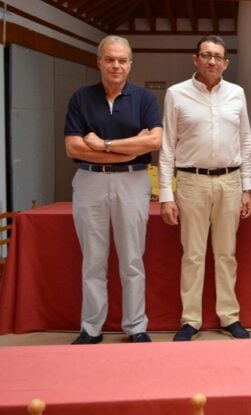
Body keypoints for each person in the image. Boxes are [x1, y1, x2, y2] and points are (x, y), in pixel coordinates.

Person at [64, 35, 162, 344]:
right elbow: (73, 148)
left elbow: (154, 142)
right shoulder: (81, 98)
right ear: (99, 62)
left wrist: (105, 145)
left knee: (132, 258)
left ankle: (136, 326)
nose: (116, 65)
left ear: (130, 64)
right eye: (110, 59)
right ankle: (91, 328)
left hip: (132, 181)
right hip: (89, 181)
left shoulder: (144, 99)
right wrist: (129, 148)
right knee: (93, 259)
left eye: (122, 60)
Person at [159, 35, 251, 341]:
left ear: (226, 63)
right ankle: (190, 320)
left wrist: (248, 188)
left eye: (218, 56)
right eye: (206, 55)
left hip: (230, 181)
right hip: (191, 182)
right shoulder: (176, 94)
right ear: (196, 59)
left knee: (226, 254)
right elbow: (167, 147)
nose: (212, 61)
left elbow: (245, 140)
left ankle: (229, 317)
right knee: (193, 255)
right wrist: (165, 194)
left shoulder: (237, 94)